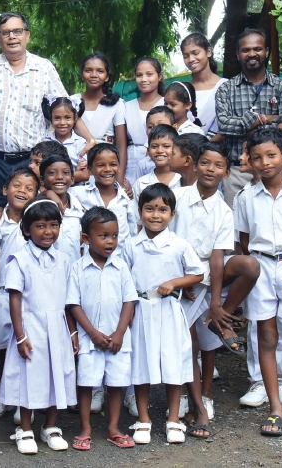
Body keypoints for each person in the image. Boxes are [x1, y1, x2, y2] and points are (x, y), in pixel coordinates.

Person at [170, 143, 259, 437]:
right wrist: (183, 280)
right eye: (205, 163)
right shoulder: (177, 197)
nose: (211, 169)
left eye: (218, 165)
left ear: (227, 172)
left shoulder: (223, 210)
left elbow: (218, 258)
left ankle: (205, 395)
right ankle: (191, 398)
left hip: (208, 274)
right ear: (195, 165)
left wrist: (217, 303)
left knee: (205, 338)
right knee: (191, 342)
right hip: (176, 274)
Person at [0, 12, 94, 208]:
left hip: (32, 161)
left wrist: (90, 140)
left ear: (27, 35)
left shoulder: (44, 68)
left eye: (17, 31)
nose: (12, 37)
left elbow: (66, 110)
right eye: (5, 33)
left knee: (33, 212)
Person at [235, 127, 282, 436]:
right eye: (257, 158)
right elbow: (244, 240)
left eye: (271, 155)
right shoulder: (246, 198)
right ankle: (275, 408)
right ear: (250, 161)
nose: (265, 163)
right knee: (265, 337)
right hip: (262, 267)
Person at [122, 183, 205, 445]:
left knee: (172, 362)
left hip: (169, 310)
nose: (155, 215)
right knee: (141, 362)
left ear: (172, 214)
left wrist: (175, 282)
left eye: (162, 210)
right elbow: (124, 279)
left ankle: (174, 419)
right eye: (149, 209)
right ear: (140, 212)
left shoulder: (179, 245)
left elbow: (197, 273)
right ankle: (143, 419)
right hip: (140, 310)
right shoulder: (131, 245)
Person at [0, 198, 77, 454]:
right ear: (26, 229)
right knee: (29, 377)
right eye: (40, 226)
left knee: (56, 374)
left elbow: (68, 301)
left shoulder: (64, 260)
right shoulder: (19, 260)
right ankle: (25, 428)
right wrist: (20, 336)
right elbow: (15, 298)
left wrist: (72, 331)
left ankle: (50, 426)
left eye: (53, 225)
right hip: (30, 327)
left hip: (57, 327)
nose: (48, 231)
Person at [67, 207, 137, 451]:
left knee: (116, 384)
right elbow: (73, 304)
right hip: (90, 339)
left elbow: (129, 301)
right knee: (87, 383)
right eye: (104, 236)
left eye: (115, 236)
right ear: (86, 238)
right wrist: (93, 334)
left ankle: (113, 428)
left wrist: (120, 333)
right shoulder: (77, 268)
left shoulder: (121, 267)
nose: (110, 241)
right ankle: (85, 428)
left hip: (118, 339)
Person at [215, 29, 282, 206]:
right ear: (238, 54)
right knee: (235, 220)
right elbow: (224, 126)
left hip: (274, 171)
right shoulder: (226, 90)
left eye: (257, 49)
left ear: (266, 51)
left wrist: (244, 126)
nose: (252, 54)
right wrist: (263, 120)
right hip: (237, 171)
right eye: (246, 50)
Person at [0, 168, 40, 420]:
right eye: (17, 186)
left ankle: (25, 399)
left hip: (30, 294)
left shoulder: (37, 221)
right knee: (1, 343)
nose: (22, 191)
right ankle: (3, 395)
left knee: (27, 343)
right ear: (5, 189)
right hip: (3, 290)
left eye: (29, 189)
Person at [71, 53, 127, 185]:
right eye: (88, 70)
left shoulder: (117, 103)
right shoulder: (72, 101)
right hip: (77, 164)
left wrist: (119, 181)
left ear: (107, 77)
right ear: (82, 75)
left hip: (105, 166)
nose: (94, 75)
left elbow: (121, 145)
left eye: (100, 71)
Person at [72, 143, 137, 254]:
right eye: (101, 165)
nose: (108, 169)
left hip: (120, 259)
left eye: (113, 164)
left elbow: (132, 231)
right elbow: (54, 190)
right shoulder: (79, 194)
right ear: (90, 170)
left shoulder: (125, 198)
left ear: (119, 167)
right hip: (90, 259)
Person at [124, 57, 166, 185]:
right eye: (139, 75)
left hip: (160, 161)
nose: (143, 79)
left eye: (149, 74)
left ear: (160, 76)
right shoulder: (126, 106)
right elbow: (122, 143)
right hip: (130, 163)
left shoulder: (167, 104)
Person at [39, 155, 84, 263]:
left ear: (72, 179)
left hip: (74, 268)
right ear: (42, 179)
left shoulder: (79, 209)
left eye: (65, 173)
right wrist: (47, 193)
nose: (59, 177)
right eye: (52, 173)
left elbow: (81, 246)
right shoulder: (38, 206)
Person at [180, 33, 227, 137]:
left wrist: (206, 145)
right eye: (186, 56)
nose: (191, 59)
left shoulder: (227, 86)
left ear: (208, 52)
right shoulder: (182, 90)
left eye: (196, 53)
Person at [131, 125, 181, 215]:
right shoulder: (141, 183)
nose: (160, 150)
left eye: (166, 146)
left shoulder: (183, 180)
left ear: (176, 149)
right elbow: (135, 217)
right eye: (154, 146)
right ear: (148, 150)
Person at [42, 96, 90, 184]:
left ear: (75, 118)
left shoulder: (80, 144)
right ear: (51, 118)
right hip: (51, 189)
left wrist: (53, 176)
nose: (62, 123)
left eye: (67, 118)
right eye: (57, 118)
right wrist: (75, 173)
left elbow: (84, 175)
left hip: (76, 189)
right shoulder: (45, 143)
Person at [133, 106, 177, 182]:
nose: (156, 129)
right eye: (150, 127)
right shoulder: (143, 165)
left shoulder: (181, 163)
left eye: (161, 125)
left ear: (174, 128)